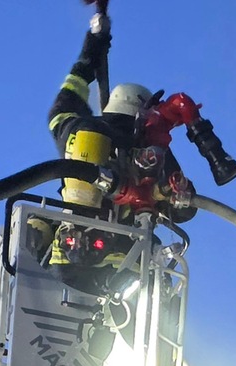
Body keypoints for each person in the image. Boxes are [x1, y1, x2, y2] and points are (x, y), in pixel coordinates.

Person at [34, 12, 194, 294]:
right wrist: (180, 191)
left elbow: (64, 103)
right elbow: (184, 209)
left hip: (66, 265)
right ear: (144, 114)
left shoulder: (79, 130)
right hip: (130, 276)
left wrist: (90, 51)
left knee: (39, 221)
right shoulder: (152, 148)